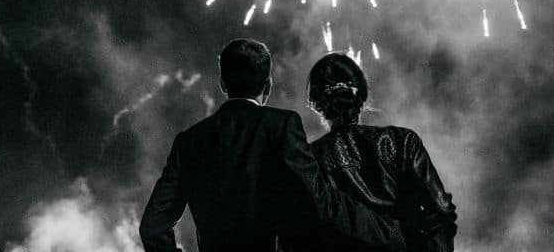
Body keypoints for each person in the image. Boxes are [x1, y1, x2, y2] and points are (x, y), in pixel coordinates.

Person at [139, 39, 405, 252]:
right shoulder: (282, 125)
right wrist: (387, 233)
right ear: (267, 85)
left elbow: (152, 227)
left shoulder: (189, 141)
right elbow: (320, 203)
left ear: (222, 84)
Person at [304, 53, 457, 251]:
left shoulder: (309, 158)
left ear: (317, 105)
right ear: (362, 96)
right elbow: (441, 210)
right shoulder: (403, 141)